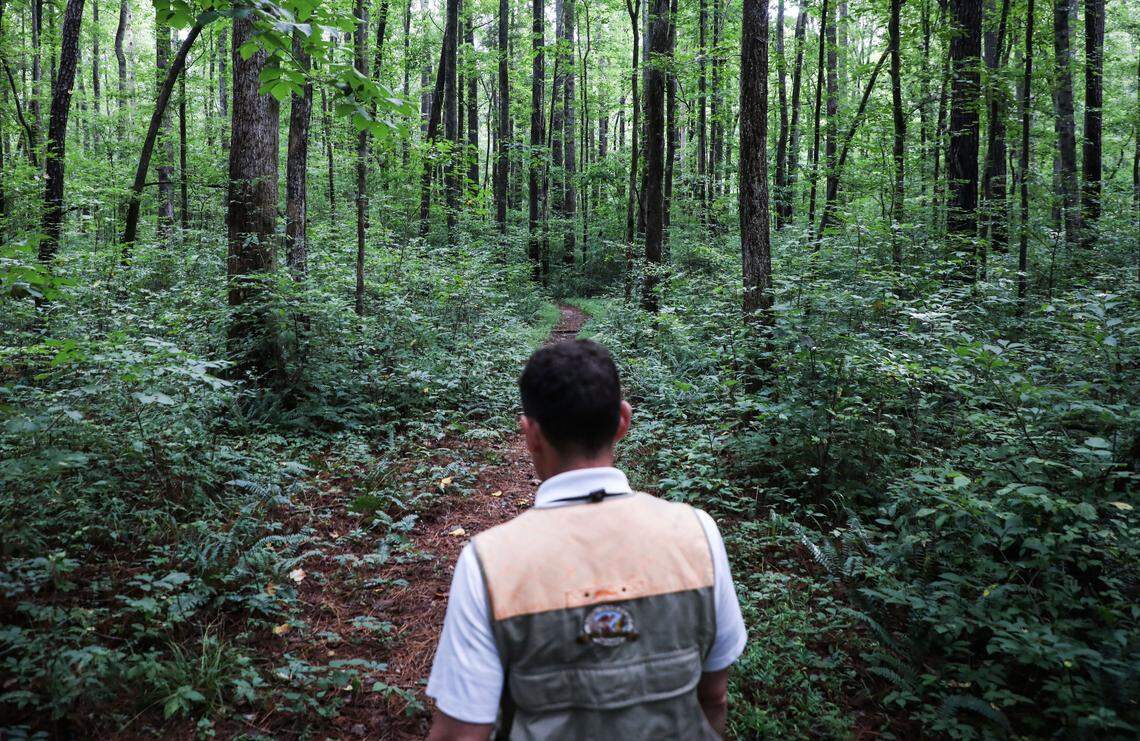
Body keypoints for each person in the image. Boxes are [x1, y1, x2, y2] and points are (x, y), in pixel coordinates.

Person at [425, 340, 747, 740]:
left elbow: (462, 733)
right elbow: (714, 696)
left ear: (530, 434)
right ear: (622, 422)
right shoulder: (698, 533)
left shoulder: (488, 561)